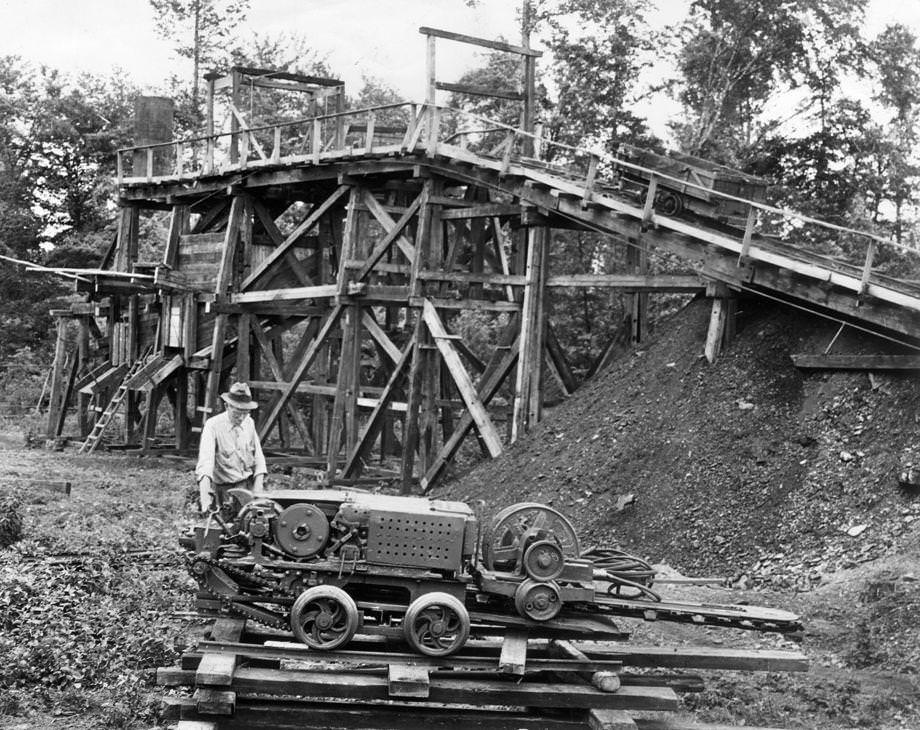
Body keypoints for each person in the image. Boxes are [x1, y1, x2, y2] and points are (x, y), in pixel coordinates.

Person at [195, 382, 267, 513]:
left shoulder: (249, 423)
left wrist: (257, 492)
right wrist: (205, 500)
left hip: (247, 488)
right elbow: (205, 465)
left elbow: (259, 460)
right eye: (236, 413)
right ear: (227, 406)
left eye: (245, 413)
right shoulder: (213, 426)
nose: (241, 417)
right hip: (224, 491)